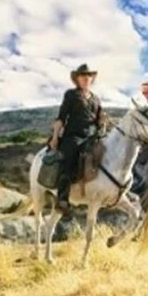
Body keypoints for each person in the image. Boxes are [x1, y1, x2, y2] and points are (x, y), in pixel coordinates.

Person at [50, 63, 106, 213]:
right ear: (77, 79)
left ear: (91, 79)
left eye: (88, 76)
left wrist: (101, 122)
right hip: (72, 136)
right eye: (82, 76)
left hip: (90, 137)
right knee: (69, 158)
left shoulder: (96, 99)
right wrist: (55, 137)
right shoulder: (71, 94)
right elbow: (61, 117)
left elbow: (98, 120)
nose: (86, 79)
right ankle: (62, 199)